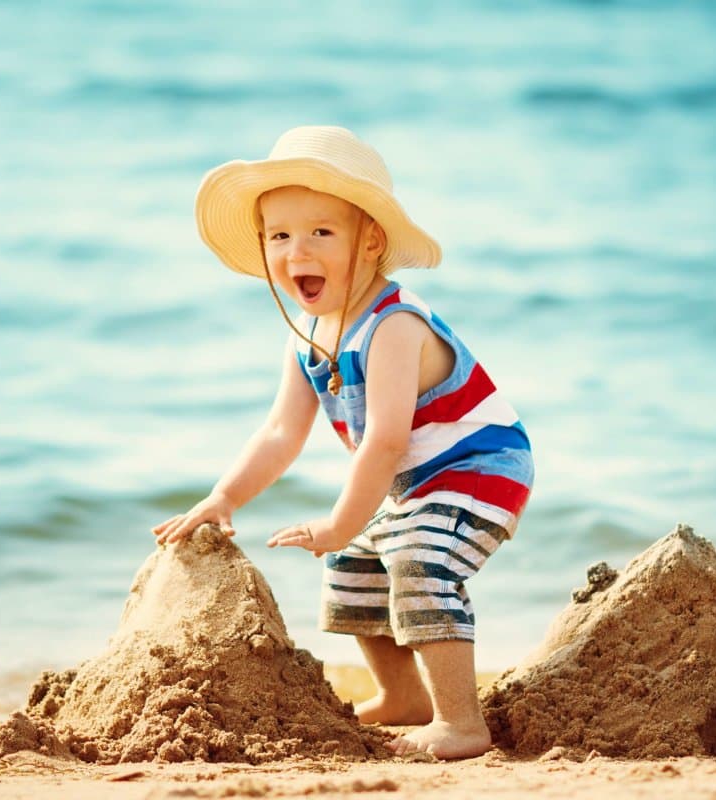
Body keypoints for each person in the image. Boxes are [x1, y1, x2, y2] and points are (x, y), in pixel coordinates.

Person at [152, 126, 533, 759]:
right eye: (280, 235)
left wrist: (336, 519)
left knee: (419, 557)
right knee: (353, 563)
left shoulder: (394, 324)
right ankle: (403, 695)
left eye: (321, 232)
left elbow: (383, 441)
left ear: (371, 240)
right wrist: (225, 497)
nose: (297, 249)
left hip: (479, 465)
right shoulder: (307, 334)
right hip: (418, 478)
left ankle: (462, 722)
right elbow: (280, 432)